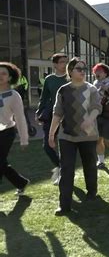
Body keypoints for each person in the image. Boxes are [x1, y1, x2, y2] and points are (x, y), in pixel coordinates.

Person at [48, 58, 102, 216]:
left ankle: (92, 192)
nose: (82, 71)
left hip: (88, 135)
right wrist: (52, 133)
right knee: (66, 169)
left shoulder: (91, 89)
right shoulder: (63, 90)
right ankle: (64, 205)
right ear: (70, 71)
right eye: (79, 68)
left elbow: (96, 107)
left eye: (84, 68)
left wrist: (89, 119)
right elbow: (57, 113)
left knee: (90, 165)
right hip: (67, 136)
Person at [36, 53, 68, 185]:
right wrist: (39, 111)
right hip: (51, 115)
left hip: (68, 116)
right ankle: (60, 166)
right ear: (54, 64)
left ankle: (63, 173)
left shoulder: (70, 78)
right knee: (47, 146)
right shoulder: (49, 79)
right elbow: (44, 97)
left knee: (64, 147)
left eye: (66, 61)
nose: (65, 64)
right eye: (62, 62)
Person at [0, 62, 30, 196]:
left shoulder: (13, 95)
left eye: (3, 73)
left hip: (6, 133)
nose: (0, 76)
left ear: (10, 77)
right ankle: (20, 183)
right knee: (2, 164)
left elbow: (20, 118)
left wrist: (24, 139)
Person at [92, 63, 109, 170]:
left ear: (105, 73)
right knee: (98, 139)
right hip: (97, 115)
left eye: (99, 71)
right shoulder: (94, 84)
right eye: (96, 71)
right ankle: (101, 161)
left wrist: (107, 90)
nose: (97, 73)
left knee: (107, 139)